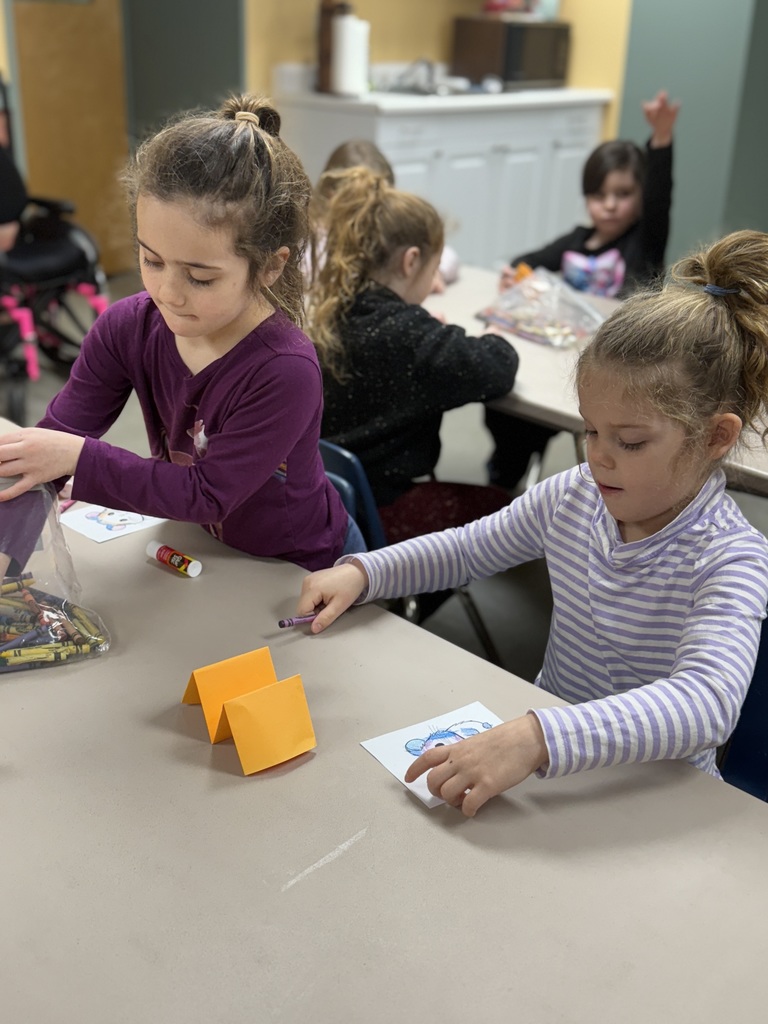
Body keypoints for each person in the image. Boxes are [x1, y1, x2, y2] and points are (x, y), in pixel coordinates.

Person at [297, 229, 768, 816]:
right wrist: (365, 572)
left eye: (630, 441)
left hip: (652, 796)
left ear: (715, 437)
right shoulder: (576, 495)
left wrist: (538, 737)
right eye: (590, 430)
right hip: (554, 776)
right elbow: (468, 551)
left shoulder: (732, 557)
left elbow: (707, 702)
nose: (599, 456)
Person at [0, 95, 360, 571]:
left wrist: (79, 459)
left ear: (271, 266)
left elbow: (207, 494)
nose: (168, 293)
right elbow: (57, 440)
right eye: (151, 260)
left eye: (200, 277)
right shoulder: (127, 326)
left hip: (296, 563)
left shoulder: (284, 370)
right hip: (199, 544)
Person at [307, 165, 553, 541]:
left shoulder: (331, 313)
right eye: (433, 267)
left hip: (323, 499)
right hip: (382, 510)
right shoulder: (412, 336)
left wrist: (420, 324)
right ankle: (416, 592)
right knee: (503, 506)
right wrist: (493, 333)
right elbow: (498, 368)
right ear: (411, 262)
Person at [499, 90, 680, 299]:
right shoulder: (575, 241)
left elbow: (658, 199)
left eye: (623, 194)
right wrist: (515, 276)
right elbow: (527, 261)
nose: (610, 205)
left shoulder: (645, 242)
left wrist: (662, 137)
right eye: (599, 196)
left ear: (642, 196)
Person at [307, 139, 459, 293]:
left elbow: (447, 255)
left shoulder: (387, 230)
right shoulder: (312, 237)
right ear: (332, 196)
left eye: (378, 204)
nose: (369, 215)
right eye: (361, 203)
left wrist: (429, 272)